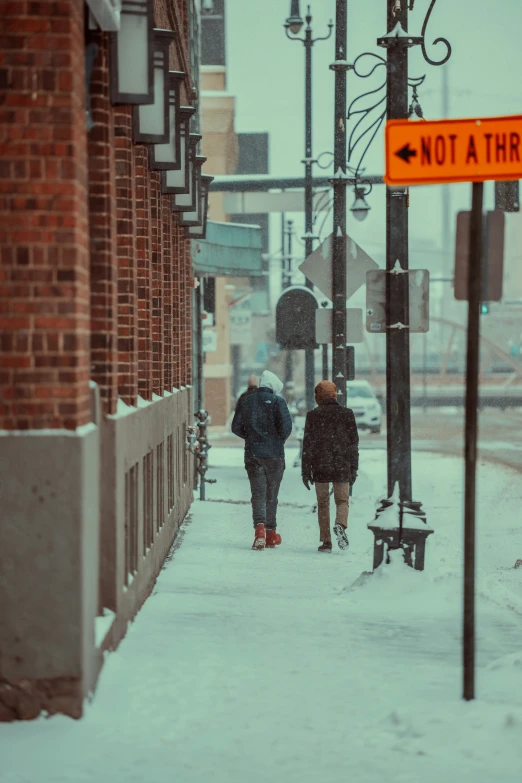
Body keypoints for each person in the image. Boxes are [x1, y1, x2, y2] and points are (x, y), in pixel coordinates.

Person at [232, 370, 292, 550]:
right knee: (271, 495)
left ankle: (259, 531)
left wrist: (251, 437)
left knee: (257, 494)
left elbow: (236, 427)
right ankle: (271, 534)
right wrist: (275, 440)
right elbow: (286, 428)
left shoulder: (247, 400)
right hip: (274, 455)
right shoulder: (278, 402)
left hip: (253, 454)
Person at [301, 380, 359, 553]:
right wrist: (353, 468)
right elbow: (353, 443)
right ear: (335, 394)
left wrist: (306, 471)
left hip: (320, 465)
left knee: (323, 503)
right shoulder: (347, 414)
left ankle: (326, 541)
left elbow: (307, 445)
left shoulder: (313, 415)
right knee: (342, 501)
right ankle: (340, 524)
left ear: (318, 396)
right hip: (342, 464)